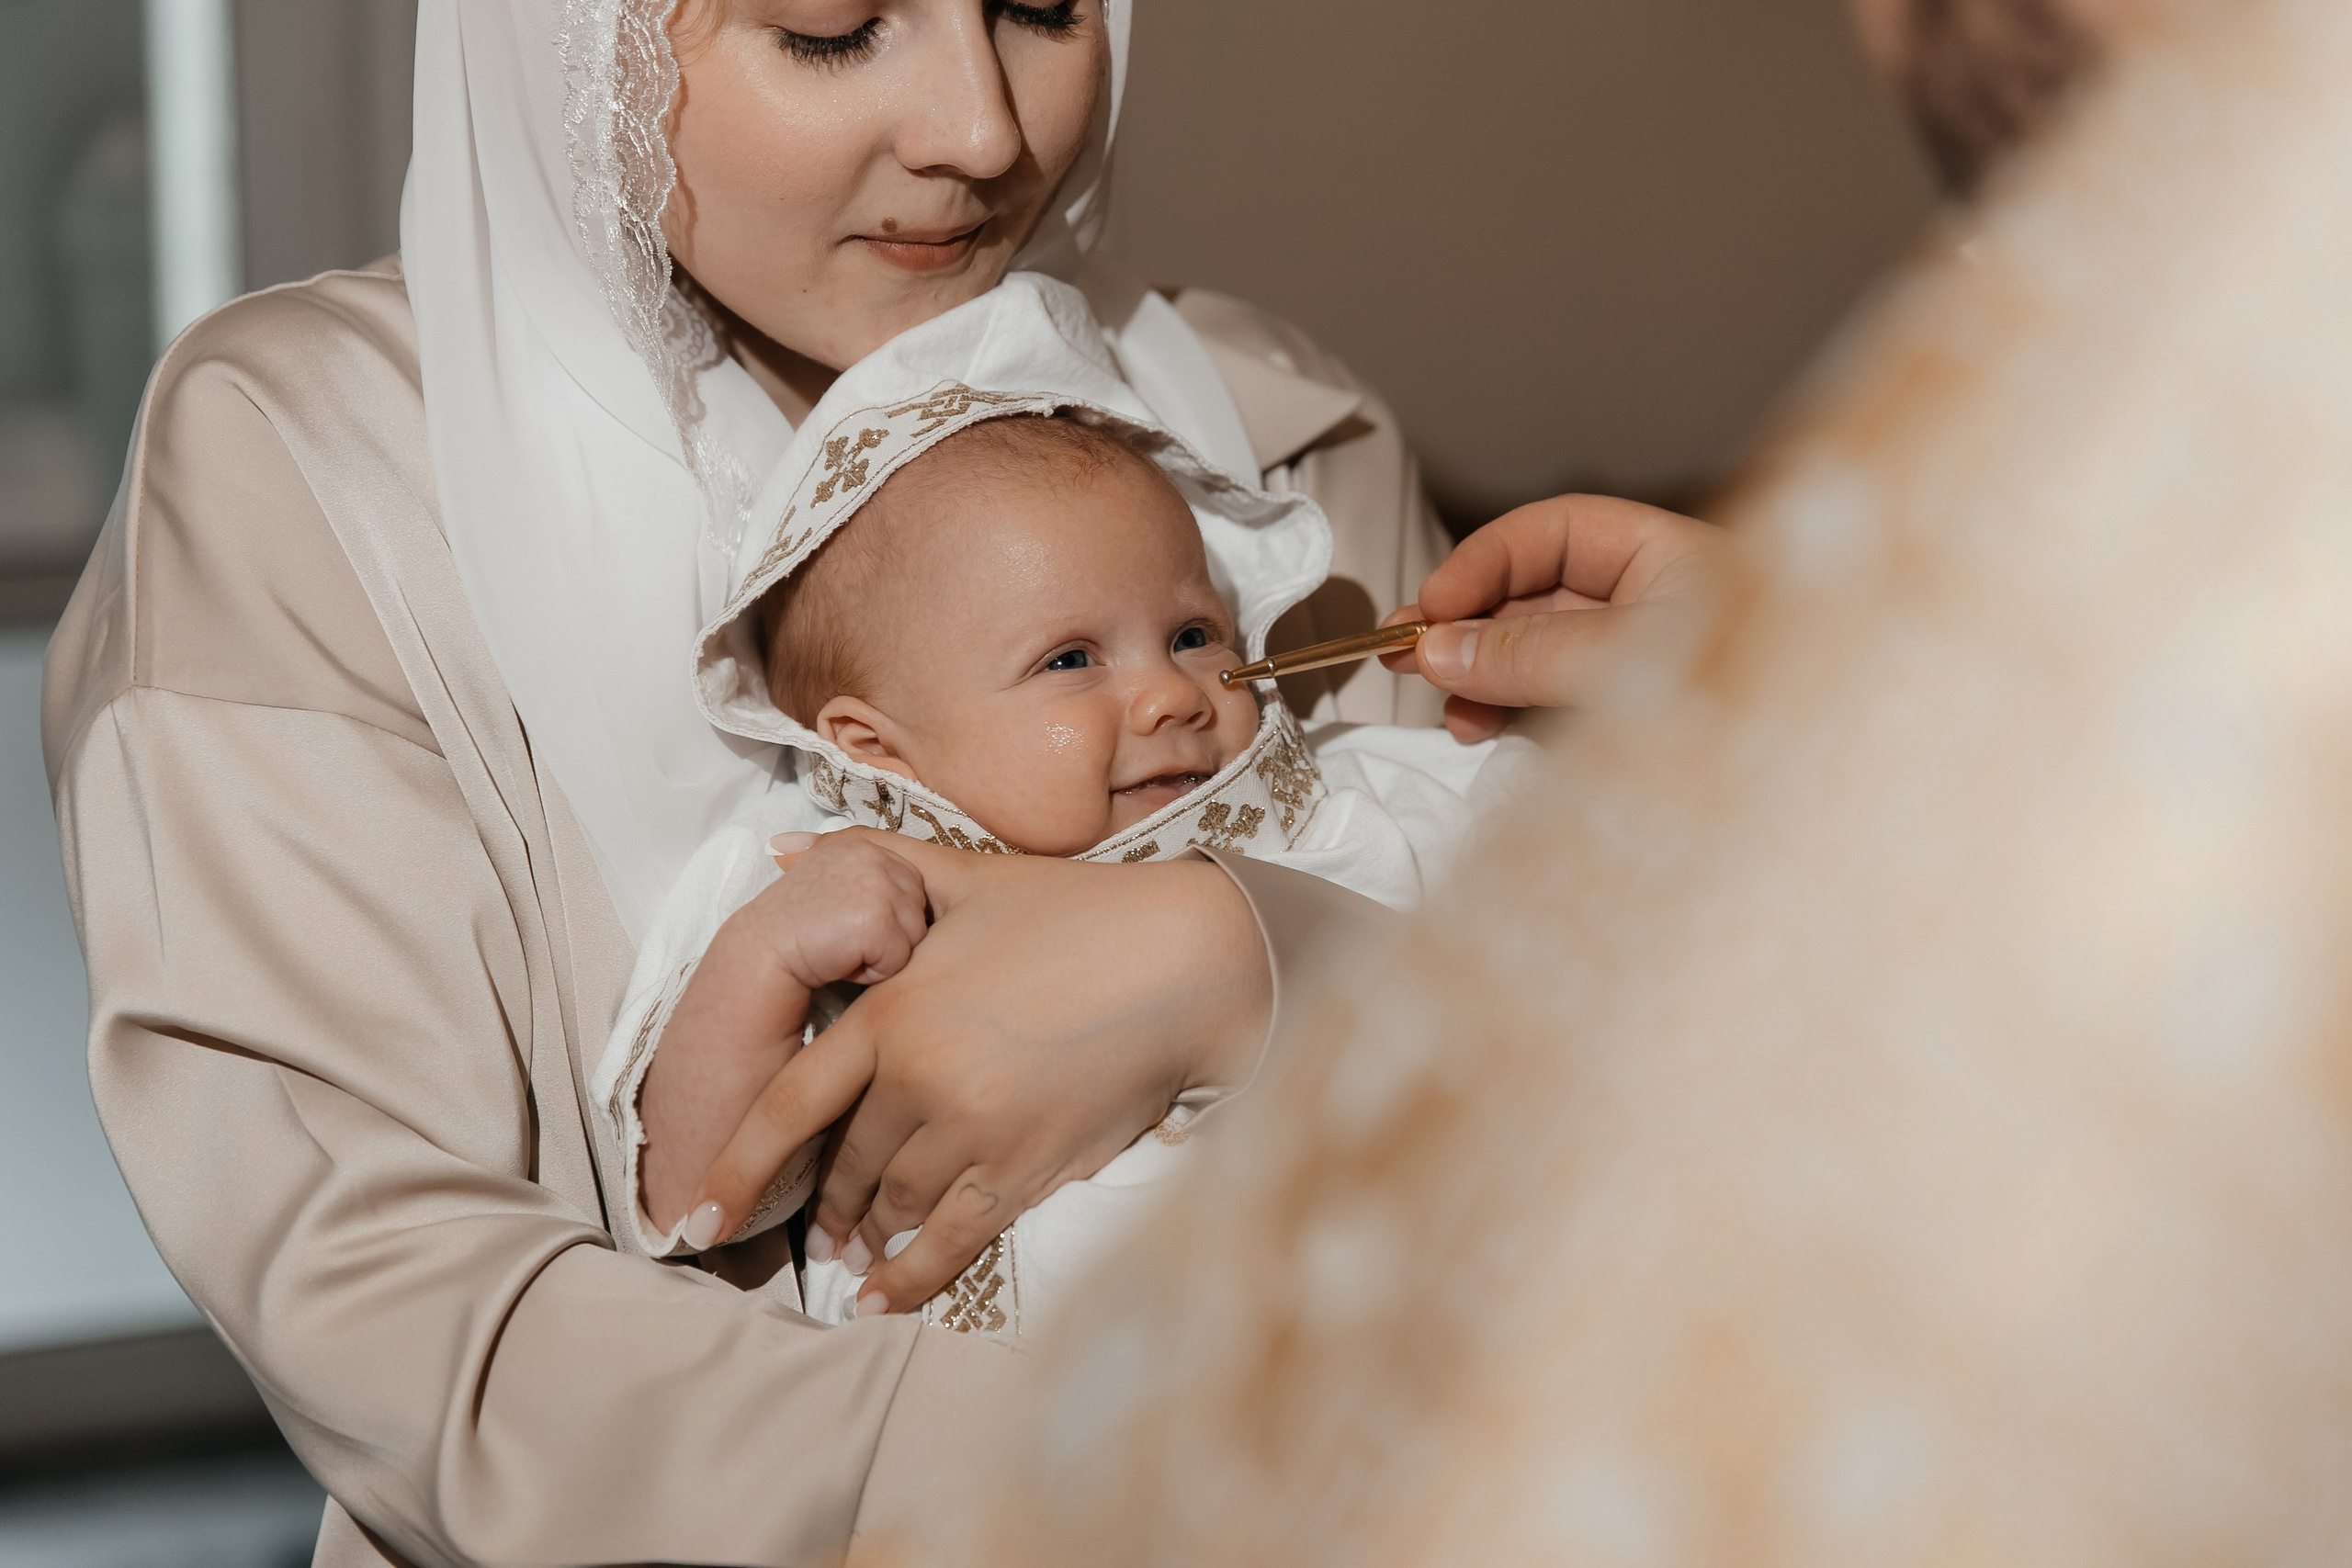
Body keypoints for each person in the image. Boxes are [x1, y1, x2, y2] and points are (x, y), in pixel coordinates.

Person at [33, 2, 1564, 1564]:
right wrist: (1153, 1448)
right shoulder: (307, 475)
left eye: (1042, 5)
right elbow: (416, 1323)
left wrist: (1239, 953)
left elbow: (1609, 1075)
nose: (981, 129)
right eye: (832, 28)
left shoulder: (1273, 442)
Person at [600, 361, 1529, 1332]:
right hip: (990, 1434)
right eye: (1071, 660)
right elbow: (694, 1199)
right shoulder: (833, 896)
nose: (1173, 693)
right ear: (872, 746)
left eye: (1192, 635)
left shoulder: (1354, 794)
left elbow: (1595, 949)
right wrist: (764, 956)